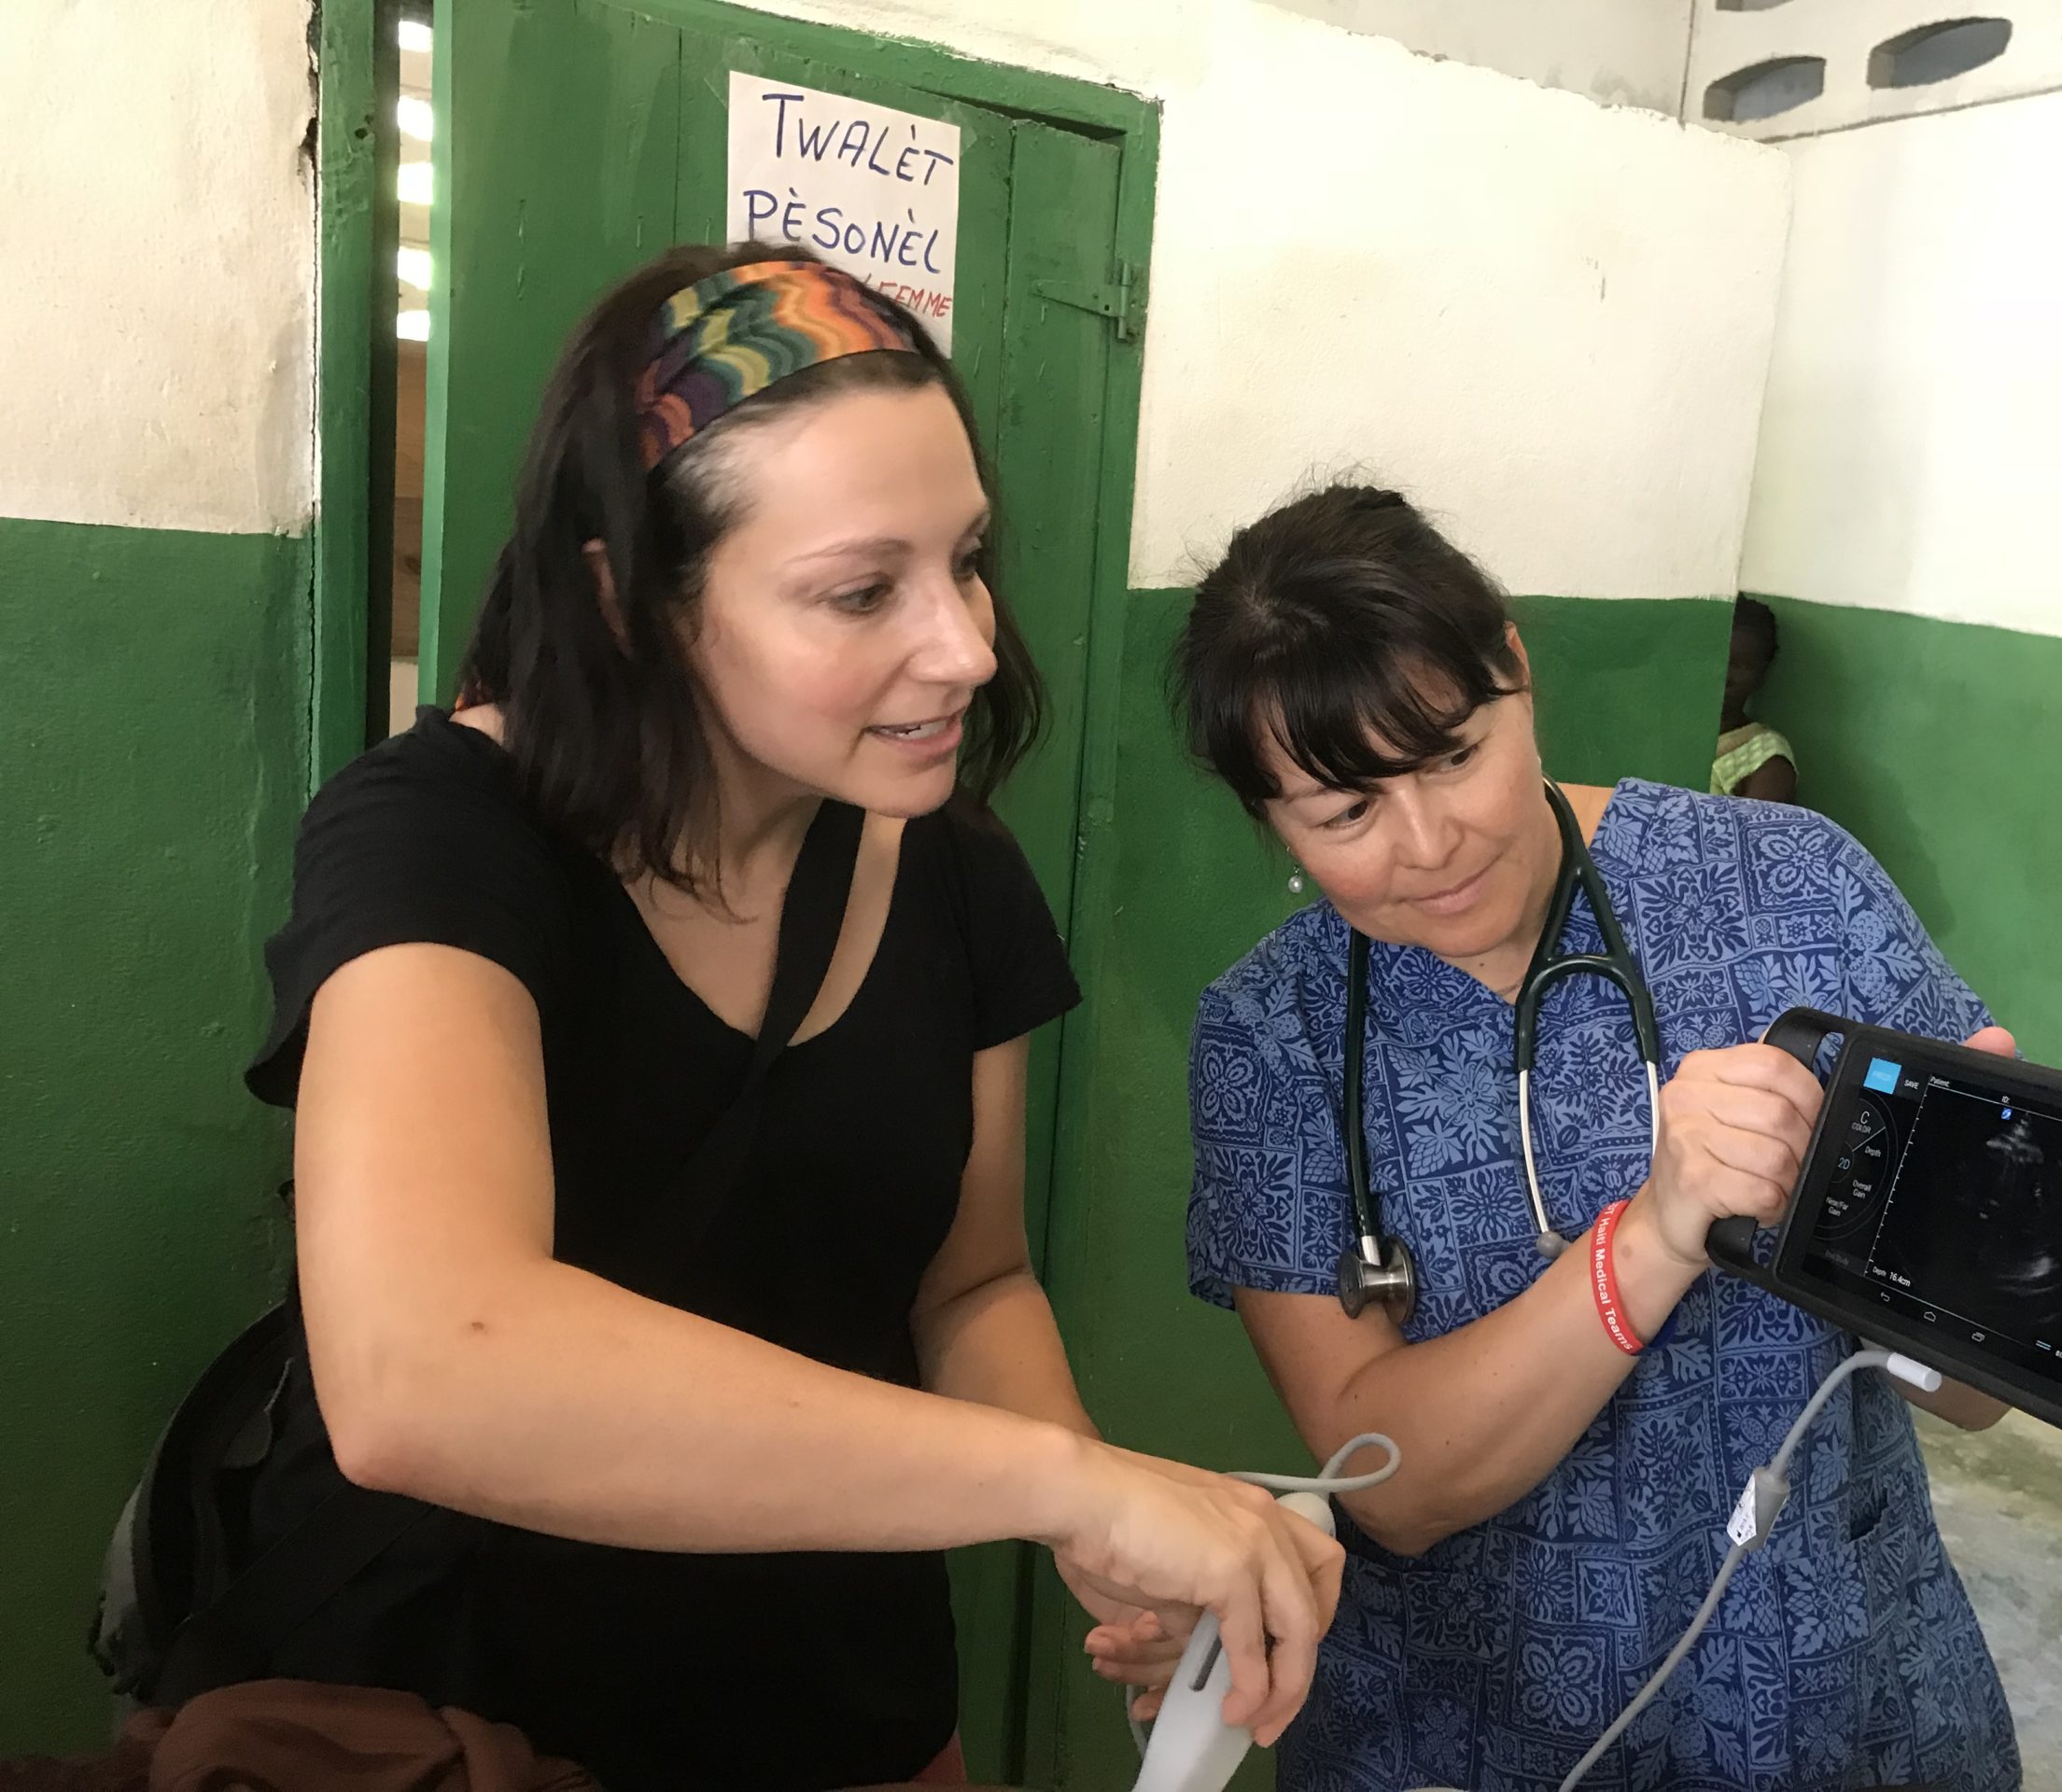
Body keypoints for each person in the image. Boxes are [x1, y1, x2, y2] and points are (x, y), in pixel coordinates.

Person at [224, 245, 1340, 1792]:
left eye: (967, 559)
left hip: (830, 1680)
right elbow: (427, 1369)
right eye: (861, 591)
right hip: (464, 1701)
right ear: (636, 601)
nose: (962, 645)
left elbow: (970, 1281)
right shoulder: (437, 841)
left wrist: (1102, 1536)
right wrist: (1064, 1483)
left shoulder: (951, 866)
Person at [1170, 485, 2022, 1792]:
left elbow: (1978, 1396)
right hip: (1459, 1734)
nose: (1430, 841)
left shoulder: (1790, 892)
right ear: (1268, 821)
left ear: (1514, 669)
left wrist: (1957, 1252)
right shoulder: (1272, 1035)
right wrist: (1657, 1234)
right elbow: (1387, 1480)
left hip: (1826, 1708)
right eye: (1344, 814)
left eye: (1455, 754)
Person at [1712, 595, 1798, 803]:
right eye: (1714, 658)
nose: (1724, 676)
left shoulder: (1766, 759)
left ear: (1762, 676)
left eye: (1741, 666)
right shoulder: (1665, 731)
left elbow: (1755, 833)